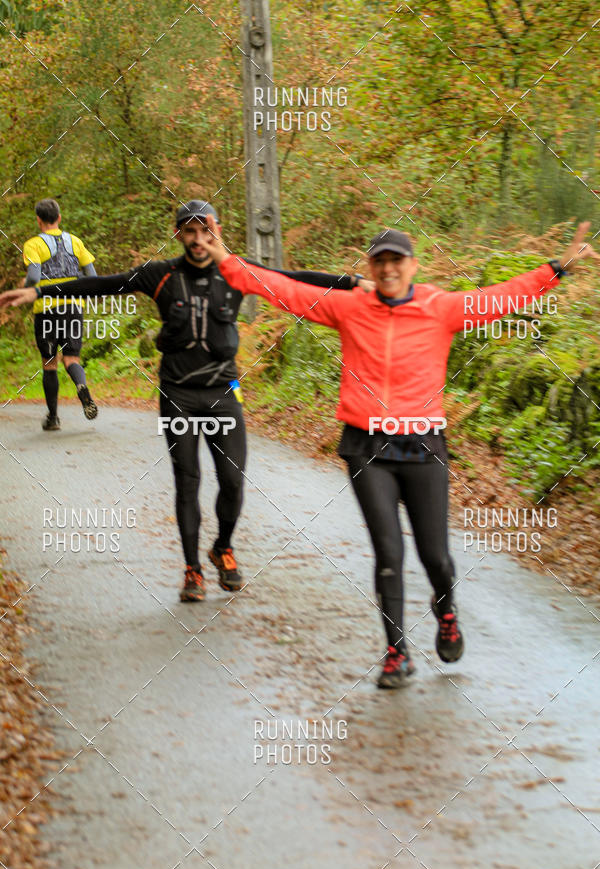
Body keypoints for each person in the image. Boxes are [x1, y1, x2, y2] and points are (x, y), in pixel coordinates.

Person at [188, 215, 598, 689]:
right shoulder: (349, 307)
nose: (387, 269)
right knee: (389, 552)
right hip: (367, 447)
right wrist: (223, 257)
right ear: (370, 267)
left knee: (436, 556)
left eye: (396, 261)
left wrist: (556, 269)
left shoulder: (439, 307)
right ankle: (396, 653)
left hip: (423, 445)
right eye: (379, 261)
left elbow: (498, 299)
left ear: (412, 265)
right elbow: (282, 290)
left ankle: (446, 610)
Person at [0, 200, 366, 602]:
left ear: (217, 232)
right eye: (189, 231)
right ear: (178, 234)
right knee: (187, 480)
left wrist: (351, 283)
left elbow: (291, 279)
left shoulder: (235, 272)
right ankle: (192, 569)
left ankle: (222, 547)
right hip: (177, 394)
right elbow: (101, 284)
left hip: (223, 391)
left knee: (232, 481)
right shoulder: (160, 275)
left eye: (205, 231)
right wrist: (37, 290)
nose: (197, 239)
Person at [23, 198, 99, 430]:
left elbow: (33, 277)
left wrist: (25, 288)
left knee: (49, 363)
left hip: (46, 309)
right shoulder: (75, 241)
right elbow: (92, 276)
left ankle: (53, 418)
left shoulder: (33, 244)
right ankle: (81, 386)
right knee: (71, 359)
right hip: (73, 308)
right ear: (59, 218)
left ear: (38, 220)